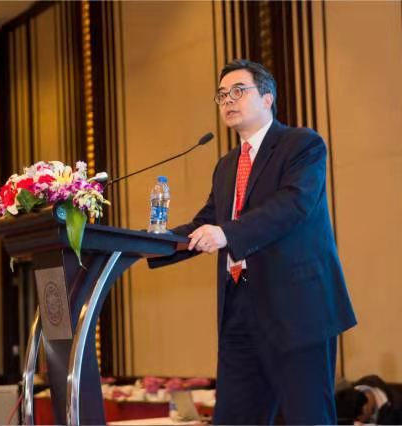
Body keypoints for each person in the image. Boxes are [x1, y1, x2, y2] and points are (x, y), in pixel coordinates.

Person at [148, 59, 357, 425]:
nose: (228, 100)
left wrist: (227, 233)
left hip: (297, 311)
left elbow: (293, 204)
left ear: (267, 98)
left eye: (238, 91)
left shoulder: (302, 145)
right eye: (222, 95)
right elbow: (205, 224)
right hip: (239, 313)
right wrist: (144, 245)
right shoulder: (226, 166)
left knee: (308, 418)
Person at [335, 375, 402, 425]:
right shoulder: (345, 400)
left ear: (366, 408)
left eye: (357, 419)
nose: (356, 423)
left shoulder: (400, 408)